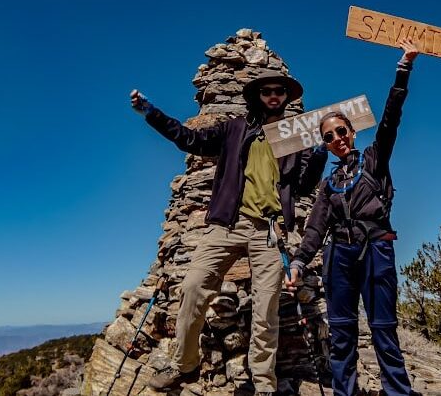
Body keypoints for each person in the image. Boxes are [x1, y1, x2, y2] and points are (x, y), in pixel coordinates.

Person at [130, 70, 327, 395]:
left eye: (280, 91)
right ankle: (185, 365)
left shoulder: (295, 136)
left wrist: (319, 154)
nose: (274, 95)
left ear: (287, 97)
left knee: (267, 307)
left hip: (267, 229)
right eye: (267, 91)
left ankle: (264, 384)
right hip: (225, 225)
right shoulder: (236, 128)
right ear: (258, 96)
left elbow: (304, 186)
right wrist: (151, 113)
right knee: (193, 288)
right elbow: (190, 139)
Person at [286, 39, 420, 396]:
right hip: (338, 258)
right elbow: (315, 228)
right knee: (342, 333)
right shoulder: (329, 184)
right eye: (328, 136)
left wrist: (403, 69)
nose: (337, 138)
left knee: (383, 329)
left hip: (376, 250)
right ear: (326, 144)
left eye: (341, 131)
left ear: (352, 132)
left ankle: (398, 392)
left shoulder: (374, 161)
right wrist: (299, 261)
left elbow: (391, 120)